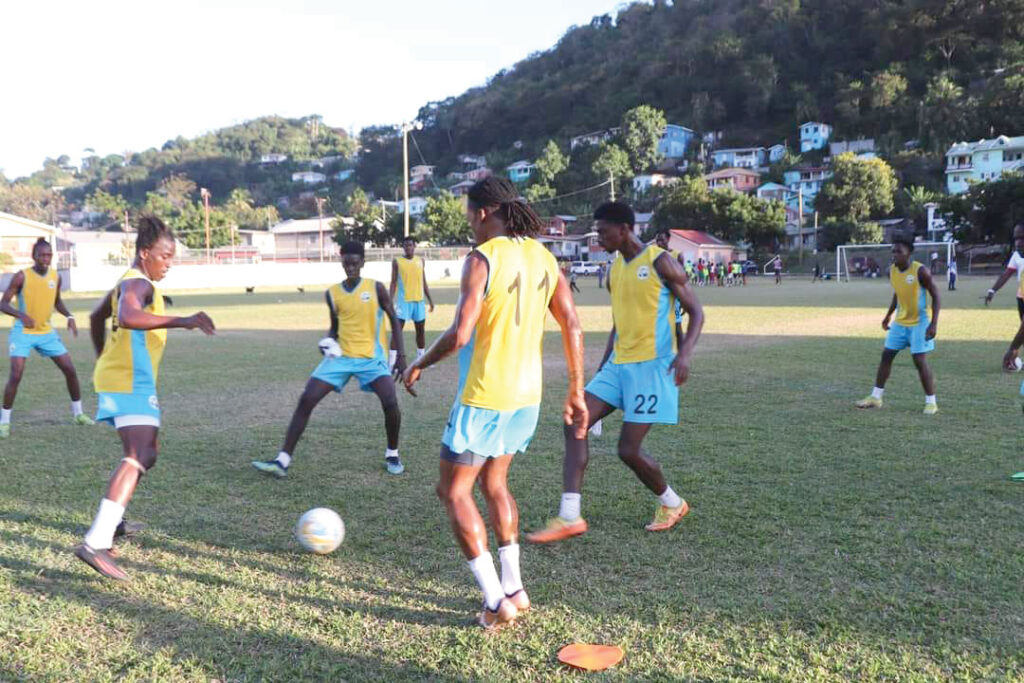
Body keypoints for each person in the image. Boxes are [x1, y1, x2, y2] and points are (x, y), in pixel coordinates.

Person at [403, 177, 586, 630]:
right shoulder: (544, 257)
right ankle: (515, 589)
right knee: (495, 483)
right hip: (527, 398)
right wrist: (576, 389)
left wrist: (419, 362)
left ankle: (494, 600)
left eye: (469, 214)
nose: (469, 223)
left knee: (453, 491)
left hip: (485, 396)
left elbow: (460, 333)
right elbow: (572, 324)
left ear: (483, 212)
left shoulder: (481, 259)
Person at [527, 201, 703, 544]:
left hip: (653, 368)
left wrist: (685, 354)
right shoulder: (614, 271)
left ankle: (672, 503)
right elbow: (618, 324)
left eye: (603, 232)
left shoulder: (661, 262)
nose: (599, 238)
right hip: (618, 366)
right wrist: (601, 369)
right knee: (575, 422)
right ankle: (569, 515)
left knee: (628, 450)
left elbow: (696, 311)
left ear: (624, 230)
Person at [75, 215, 216, 580]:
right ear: (144, 253)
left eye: (172, 257)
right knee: (140, 455)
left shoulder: (129, 280)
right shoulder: (139, 283)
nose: (169, 263)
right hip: (129, 381)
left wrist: (105, 357)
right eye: (164, 256)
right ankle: (95, 541)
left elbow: (96, 317)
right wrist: (182, 320)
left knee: (145, 453)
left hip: (124, 377)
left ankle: (113, 523)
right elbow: (127, 316)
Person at [253, 241, 408, 478]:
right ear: (342, 262)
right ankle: (282, 460)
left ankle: (392, 453)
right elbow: (335, 327)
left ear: (363, 262)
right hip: (341, 358)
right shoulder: (332, 294)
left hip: (371, 358)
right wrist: (327, 342)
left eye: (355, 263)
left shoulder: (376, 288)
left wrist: (400, 356)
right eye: (346, 263)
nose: (350, 268)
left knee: (390, 401)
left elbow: (394, 320)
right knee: (307, 398)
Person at [0, 238, 95, 438]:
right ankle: (4, 422)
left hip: (46, 332)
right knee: (16, 375)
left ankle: (78, 414)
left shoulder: (55, 276)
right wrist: (21, 315)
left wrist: (69, 316)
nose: (46, 258)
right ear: (34, 256)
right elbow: (3, 304)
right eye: (42, 255)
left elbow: (57, 301)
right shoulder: (21, 276)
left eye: (49, 255)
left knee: (70, 369)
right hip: (23, 332)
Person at [856, 234, 941, 415]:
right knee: (886, 356)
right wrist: (888, 316)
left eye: (899, 251)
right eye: (893, 251)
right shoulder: (892, 271)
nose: (895, 254)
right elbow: (898, 294)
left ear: (909, 253)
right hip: (900, 323)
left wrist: (933, 324)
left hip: (919, 323)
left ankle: (931, 402)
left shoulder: (921, 271)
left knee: (919, 360)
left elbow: (936, 296)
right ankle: (876, 397)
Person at [388, 236, 434, 369]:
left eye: (411, 245)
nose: (408, 247)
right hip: (404, 302)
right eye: (406, 245)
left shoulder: (420, 261)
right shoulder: (397, 261)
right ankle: (391, 362)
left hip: (419, 301)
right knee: (397, 331)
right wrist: (390, 300)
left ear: (414, 246)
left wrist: (430, 300)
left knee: (420, 331)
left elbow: (423, 281)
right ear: (403, 247)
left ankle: (421, 359)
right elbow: (393, 282)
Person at [983, 223, 1024, 321]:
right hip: (1021, 297)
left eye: (1022, 238)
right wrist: (992, 291)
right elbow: (1006, 275)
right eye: (1016, 239)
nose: (1018, 243)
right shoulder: (1016, 256)